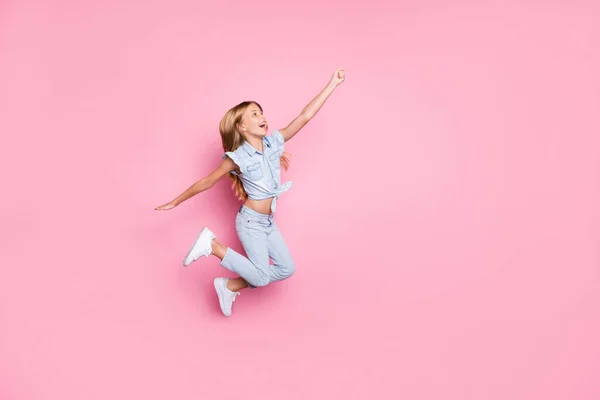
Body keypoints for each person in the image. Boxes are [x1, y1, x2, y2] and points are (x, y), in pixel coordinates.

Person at [155, 68, 345, 316]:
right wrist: (175, 201)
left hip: (267, 223)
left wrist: (332, 84)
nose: (262, 117)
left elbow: (305, 116)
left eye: (261, 113)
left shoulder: (274, 143)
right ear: (242, 127)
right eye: (254, 114)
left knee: (286, 268)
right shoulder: (238, 158)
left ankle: (230, 285)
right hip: (250, 223)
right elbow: (208, 181)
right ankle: (212, 245)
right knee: (263, 278)